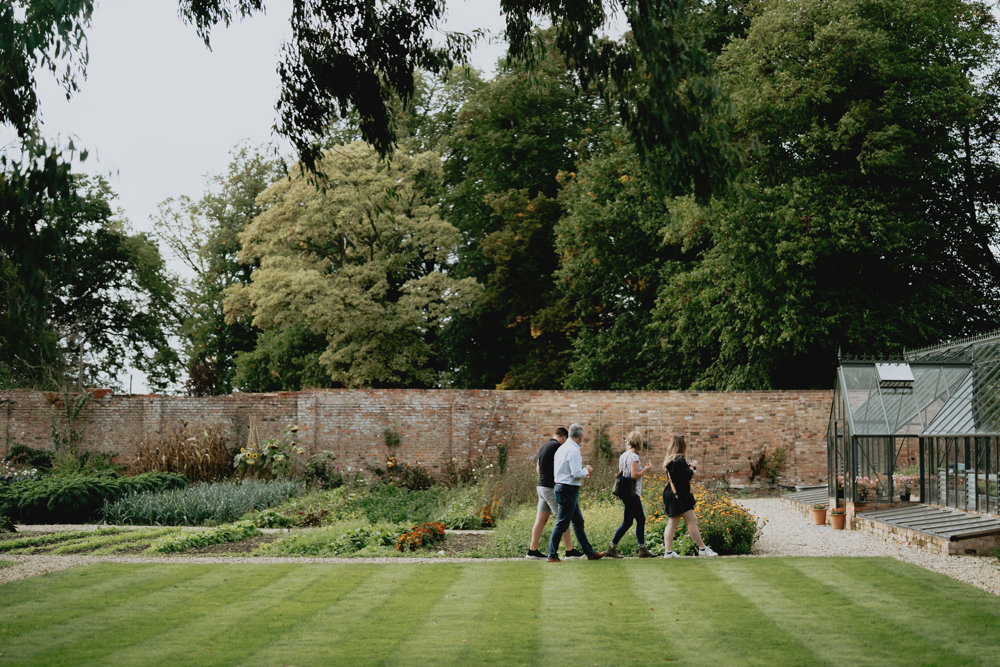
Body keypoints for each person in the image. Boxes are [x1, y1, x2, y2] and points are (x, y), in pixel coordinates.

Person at [547, 423, 604, 562]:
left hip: (561, 487)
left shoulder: (562, 448)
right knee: (562, 523)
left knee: (578, 522)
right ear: (580, 435)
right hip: (568, 489)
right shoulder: (573, 450)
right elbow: (576, 473)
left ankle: (590, 552)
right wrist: (587, 471)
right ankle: (552, 554)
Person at [661, 434, 718, 558]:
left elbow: (677, 475)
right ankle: (702, 549)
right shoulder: (680, 459)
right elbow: (686, 476)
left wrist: (688, 467)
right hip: (681, 495)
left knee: (672, 523)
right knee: (692, 521)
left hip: (671, 493)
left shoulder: (669, 461)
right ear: (683, 446)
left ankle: (668, 552)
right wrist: (693, 467)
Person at [526, 427, 577, 559]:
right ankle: (569, 550)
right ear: (564, 438)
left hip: (541, 487)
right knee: (563, 519)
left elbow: (538, 468)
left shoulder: (544, 446)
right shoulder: (557, 447)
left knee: (540, 520)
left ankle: (532, 551)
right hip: (550, 488)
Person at [605, 430, 655, 558]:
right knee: (641, 519)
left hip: (624, 491)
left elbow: (622, 473)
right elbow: (634, 475)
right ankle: (642, 549)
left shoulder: (623, 456)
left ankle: (612, 547)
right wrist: (646, 469)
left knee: (628, 522)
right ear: (639, 443)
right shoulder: (634, 457)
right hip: (632, 492)